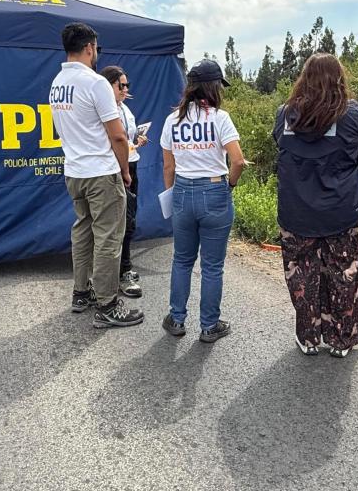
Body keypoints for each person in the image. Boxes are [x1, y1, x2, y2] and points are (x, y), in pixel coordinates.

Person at [274, 53, 358, 357]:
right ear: (340, 78)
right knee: (344, 273)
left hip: (296, 213)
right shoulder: (353, 114)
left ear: (303, 78)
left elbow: (280, 144)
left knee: (301, 275)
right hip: (343, 210)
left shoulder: (285, 115)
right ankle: (341, 339)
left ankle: (309, 337)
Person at [48, 22, 143, 329]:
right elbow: (117, 137)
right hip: (101, 172)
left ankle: (81, 292)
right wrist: (125, 170)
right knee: (109, 238)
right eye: (96, 49)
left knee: (83, 230)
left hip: (74, 171)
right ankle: (107, 304)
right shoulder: (95, 83)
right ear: (90, 47)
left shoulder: (57, 83)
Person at [160, 59, 246, 342]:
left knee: (182, 260)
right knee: (211, 265)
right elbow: (238, 161)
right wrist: (229, 186)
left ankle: (176, 318)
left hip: (183, 191)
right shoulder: (220, 118)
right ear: (213, 87)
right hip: (214, 192)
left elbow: (168, 167)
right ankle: (209, 326)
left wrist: (174, 194)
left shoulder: (172, 120)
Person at [99, 65, 148, 298]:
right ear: (109, 85)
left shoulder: (124, 108)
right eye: (122, 85)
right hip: (119, 168)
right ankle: (120, 273)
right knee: (120, 223)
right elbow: (113, 140)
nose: (126, 89)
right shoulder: (105, 108)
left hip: (131, 164)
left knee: (129, 220)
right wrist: (124, 170)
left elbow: (125, 138)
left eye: (127, 85)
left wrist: (137, 139)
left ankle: (123, 269)